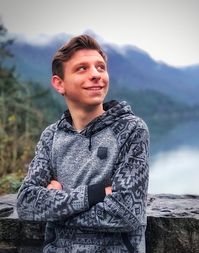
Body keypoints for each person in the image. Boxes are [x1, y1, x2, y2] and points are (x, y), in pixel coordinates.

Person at [17, 34, 150, 253]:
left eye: (100, 67)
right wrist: (96, 194)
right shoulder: (51, 137)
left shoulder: (131, 130)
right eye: (82, 69)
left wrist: (56, 207)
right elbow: (26, 204)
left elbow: (127, 212)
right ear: (59, 84)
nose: (96, 75)